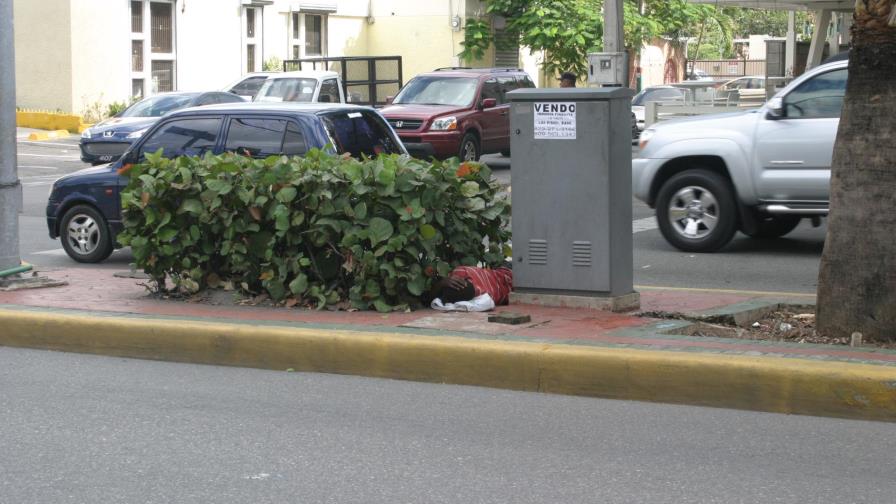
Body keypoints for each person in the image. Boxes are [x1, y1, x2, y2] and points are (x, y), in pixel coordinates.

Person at [427, 265, 513, 306]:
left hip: (505, 272)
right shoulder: (483, 295)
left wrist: (441, 283)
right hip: (505, 274)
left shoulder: (461, 272)